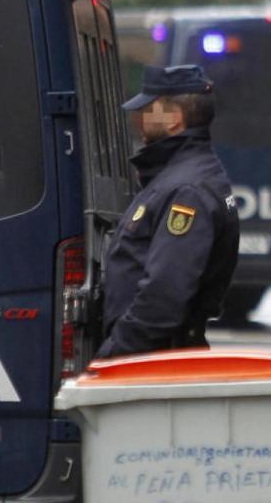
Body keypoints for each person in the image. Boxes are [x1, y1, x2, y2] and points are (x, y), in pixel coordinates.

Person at [97, 65, 240, 358]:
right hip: (155, 353)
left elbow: (163, 294)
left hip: (153, 359)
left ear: (174, 118)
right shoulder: (179, 176)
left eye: (149, 109)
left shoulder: (186, 190)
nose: (139, 118)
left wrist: (114, 355)